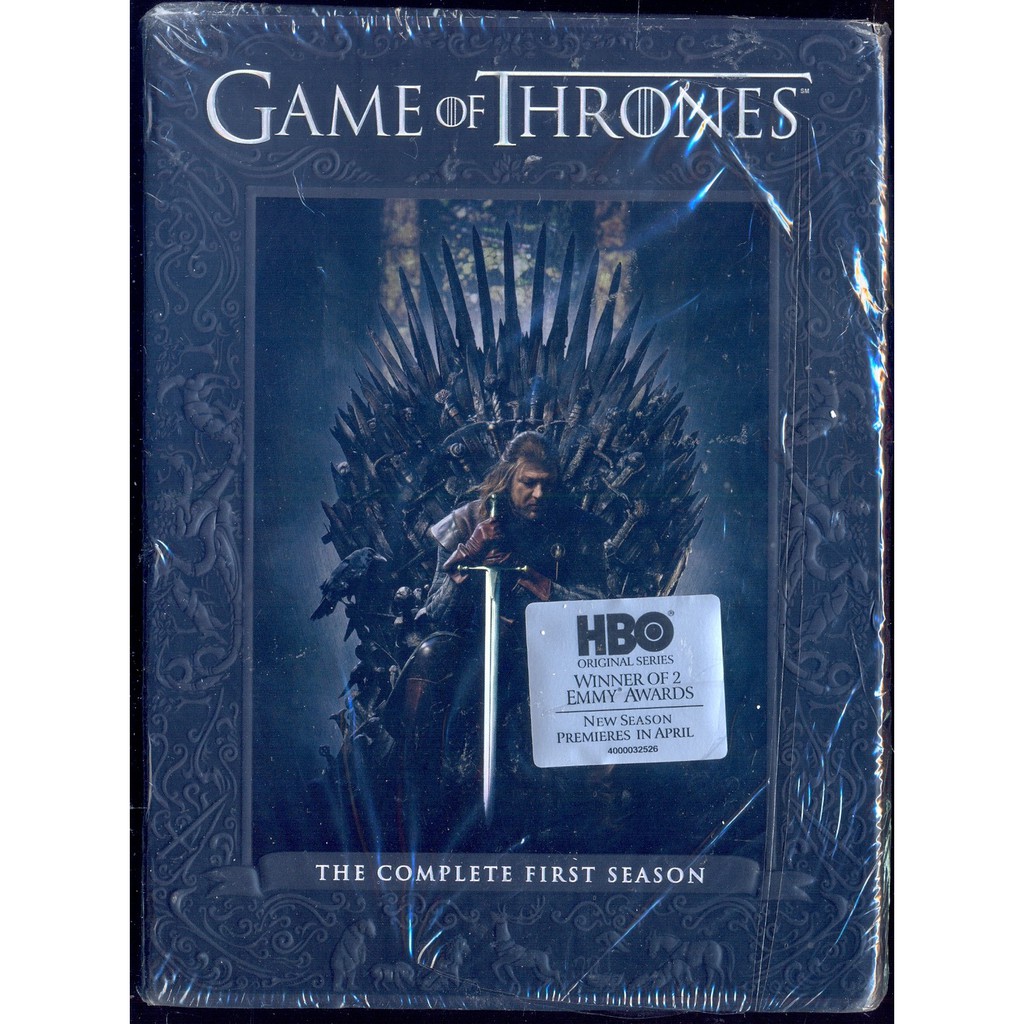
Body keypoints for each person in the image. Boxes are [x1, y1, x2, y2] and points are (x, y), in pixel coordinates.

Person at [387, 431, 609, 848]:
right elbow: (435, 612)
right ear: (508, 478)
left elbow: (599, 606)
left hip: (546, 649)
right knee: (433, 660)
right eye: (529, 482)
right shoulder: (466, 522)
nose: (539, 493)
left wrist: (540, 584)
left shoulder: (577, 529)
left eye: (547, 483)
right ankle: (418, 794)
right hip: (473, 646)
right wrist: (466, 557)